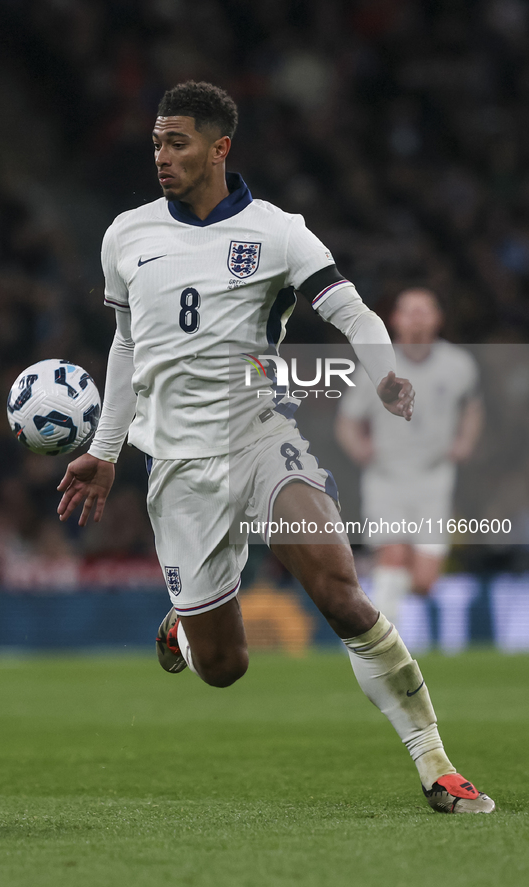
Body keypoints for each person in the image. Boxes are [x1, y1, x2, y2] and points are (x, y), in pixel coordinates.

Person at [57, 81, 493, 814]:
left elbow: (352, 312)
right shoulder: (125, 235)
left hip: (262, 438)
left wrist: (383, 372)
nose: (161, 156)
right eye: (157, 142)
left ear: (218, 147)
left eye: (178, 142)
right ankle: (186, 629)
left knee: (339, 590)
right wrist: (105, 451)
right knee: (224, 666)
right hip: (177, 466)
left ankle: (436, 765)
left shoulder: (278, 231)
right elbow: (127, 345)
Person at [336, 288, 483, 628]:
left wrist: (465, 441)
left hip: (434, 477)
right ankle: (385, 645)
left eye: (424, 310)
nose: (417, 317)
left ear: (437, 318)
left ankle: (368, 577)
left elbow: (473, 408)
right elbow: (347, 420)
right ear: (395, 319)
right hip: (386, 476)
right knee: (393, 553)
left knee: (424, 580)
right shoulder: (376, 366)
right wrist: (358, 447)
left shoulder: (459, 365)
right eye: (409, 310)